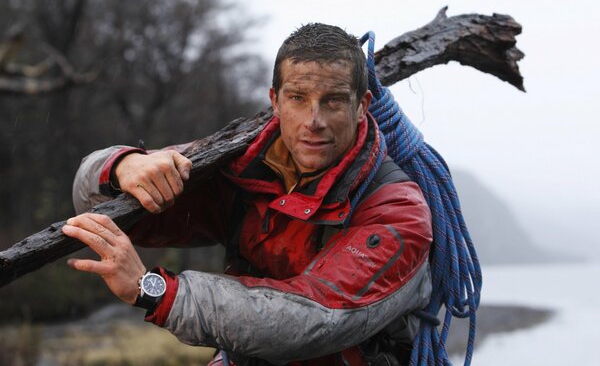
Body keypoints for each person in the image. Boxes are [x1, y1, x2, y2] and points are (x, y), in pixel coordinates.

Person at [65, 23, 433, 366]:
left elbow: (316, 318)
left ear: (362, 106)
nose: (313, 120)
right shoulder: (237, 165)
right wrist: (120, 167)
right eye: (298, 98)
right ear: (275, 100)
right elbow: (96, 203)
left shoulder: (397, 209)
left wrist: (155, 291)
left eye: (333, 100)